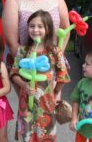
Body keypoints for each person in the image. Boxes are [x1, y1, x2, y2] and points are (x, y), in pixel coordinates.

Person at [2, 0, 70, 95]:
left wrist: (57, 59)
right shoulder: (13, 2)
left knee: (52, 106)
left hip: (53, 64)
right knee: (30, 110)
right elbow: (12, 43)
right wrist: (31, 68)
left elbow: (66, 29)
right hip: (25, 65)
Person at [10, 10, 71, 141]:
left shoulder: (55, 51)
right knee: (27, 135)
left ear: (48, 29)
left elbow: (63, 75)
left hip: (47, 102)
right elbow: (14, 73)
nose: (35, 30)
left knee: (45, 135)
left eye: (40, 26)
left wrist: (55, 92)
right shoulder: (23, 50)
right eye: (32, 26)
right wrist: (24, 86)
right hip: (26, 102)